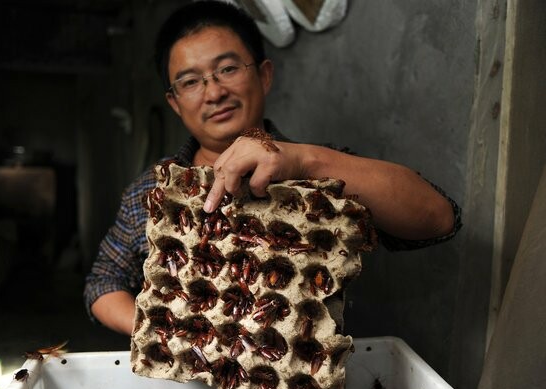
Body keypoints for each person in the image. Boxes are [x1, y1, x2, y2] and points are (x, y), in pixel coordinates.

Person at [84, 1, 461, 335]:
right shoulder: (150, 191)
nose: (214, 92)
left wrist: (305, 159)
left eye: (228, 69)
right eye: (191, 81)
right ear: (175, 102)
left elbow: (439, 219)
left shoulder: (321, 169)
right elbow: (102, 281)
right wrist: (167, 331)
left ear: (264, 75)